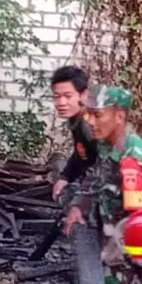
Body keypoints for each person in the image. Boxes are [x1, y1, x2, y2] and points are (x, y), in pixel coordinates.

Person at [63, 84, 142, 237]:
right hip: (109, 236)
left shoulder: (134, 160)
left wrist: (113, 253)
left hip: (131, 250)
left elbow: (141, 222)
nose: (89, 121)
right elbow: (94, 179)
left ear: (119, 117)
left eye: (98, 115)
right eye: (88, 114)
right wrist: (79, 206)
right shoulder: (106, 144)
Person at [49, 65, 98, 204]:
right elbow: (81, 152)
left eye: (68, 96)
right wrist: (65, 177)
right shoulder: (77, 117)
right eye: (57, 97)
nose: (61, 103)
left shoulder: (91, 123)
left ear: (84, 95)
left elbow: (107, 164)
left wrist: (81, 200)